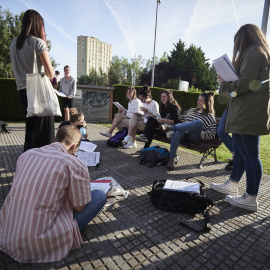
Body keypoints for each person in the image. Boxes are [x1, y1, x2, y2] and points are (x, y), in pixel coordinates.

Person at [0, 126, 107, 263]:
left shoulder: (26, 155)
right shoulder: (75, 164)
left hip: (8, 233)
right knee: (99, 195)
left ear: (55, 139)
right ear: (74, 146)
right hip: (38, 241)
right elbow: (80, 208)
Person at [210, 24, 270, 211]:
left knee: (251, 155)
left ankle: (250, 197)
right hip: (245, 111)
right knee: (244, 152)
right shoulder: (258, 52)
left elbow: (244, 85)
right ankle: (234, 183)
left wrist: (225, 84)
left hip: (248, 112)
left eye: (237, 41)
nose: (236, 46)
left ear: (243, 38)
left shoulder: (253, 52)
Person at [10, 9, 55, 152]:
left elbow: (14, 70)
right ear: (38, 25)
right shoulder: (38, 43)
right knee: (44, 130)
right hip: (38, 91)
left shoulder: (14, 43)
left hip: (22, 91)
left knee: (31, 129)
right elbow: (50, 73)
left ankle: (29, 160)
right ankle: (45, 162)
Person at [165, 92, 217, 170]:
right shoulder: (192, 110)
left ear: (206, 102)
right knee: (179, 131)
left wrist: (201, 134)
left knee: (198, 122)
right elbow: (185, 122)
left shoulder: (209, 116)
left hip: (194, 136)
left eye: (200, 101)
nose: (198, 102)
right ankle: (171, 160)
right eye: (198, 100)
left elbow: (212, 133)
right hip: (183, 133)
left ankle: (172, 128)